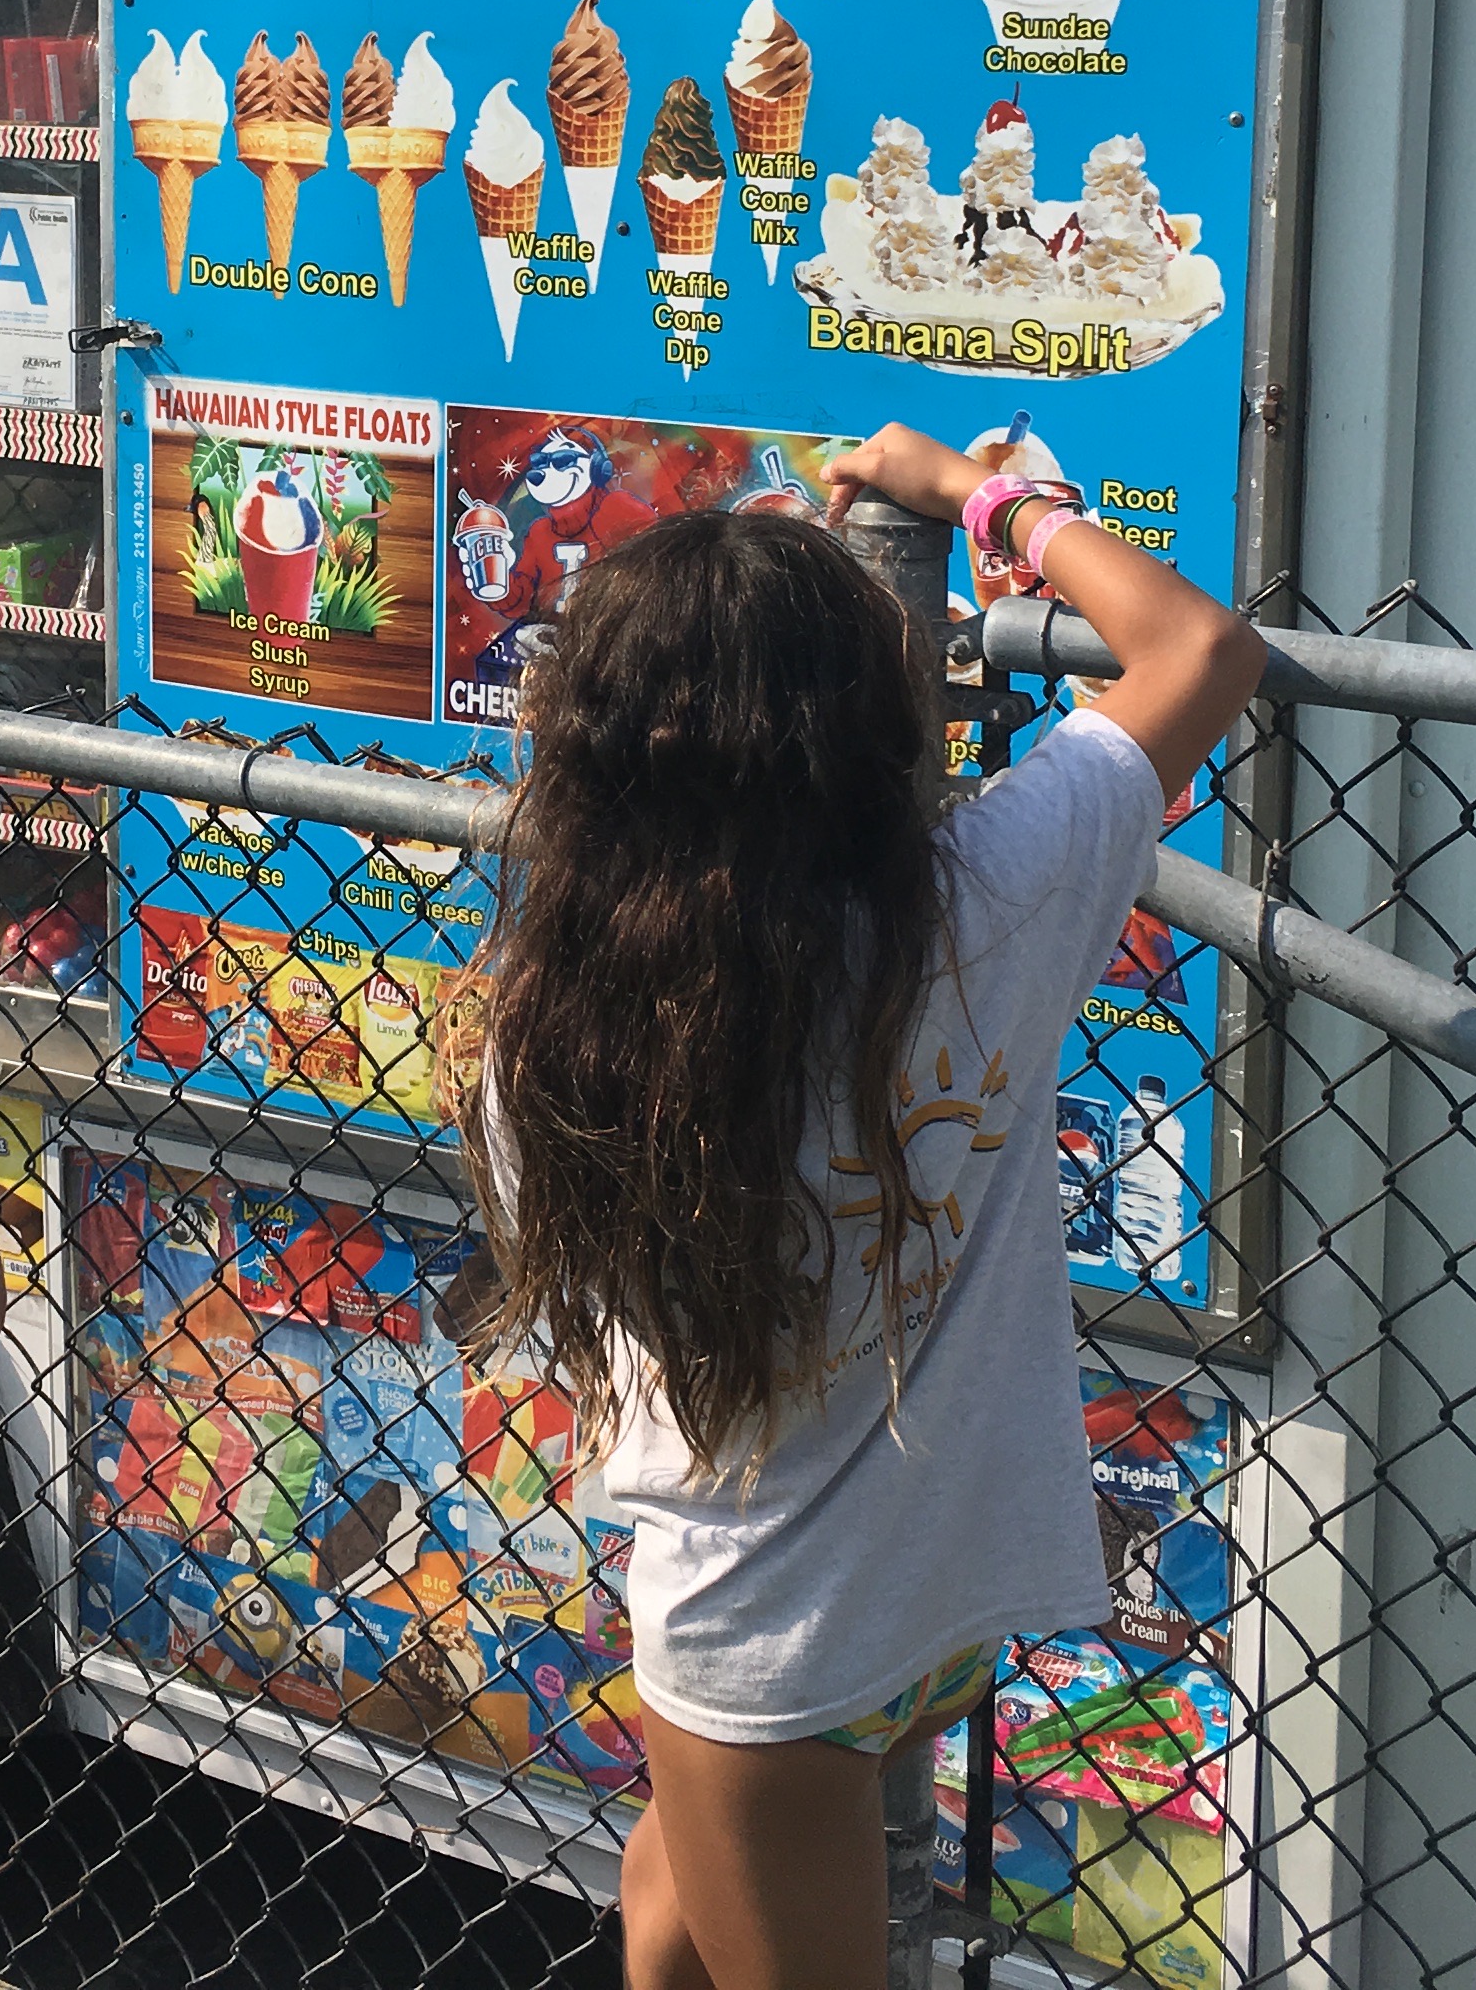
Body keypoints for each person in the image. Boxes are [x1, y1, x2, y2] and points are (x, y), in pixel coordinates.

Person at [474, 423, 1264, 1990]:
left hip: (758, 1645)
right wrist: (977, 499)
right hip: (938, 1599)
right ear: (869, 724)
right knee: (679, 1907)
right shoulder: (989, 899)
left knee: (692, 1890)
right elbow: (1199, 646)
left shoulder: (553, 1029)